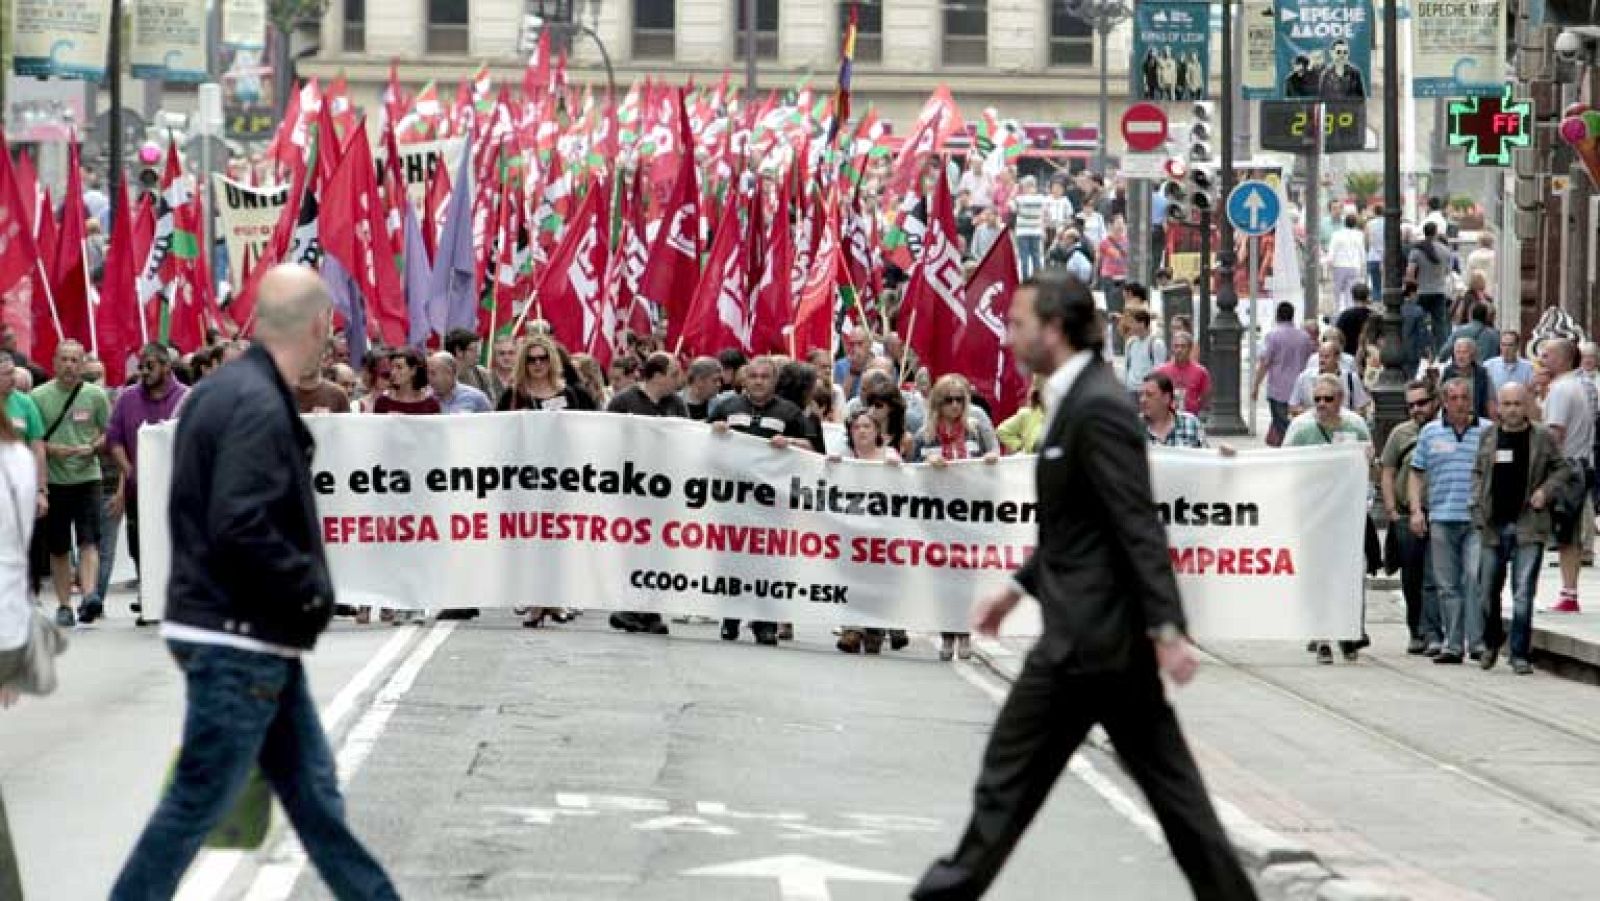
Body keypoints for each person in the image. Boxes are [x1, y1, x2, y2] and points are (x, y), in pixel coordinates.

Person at [914, 271, 1256, 901]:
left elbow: (1134, 521)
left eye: (1018, 323)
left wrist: (1168, 628)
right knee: (1176, 805)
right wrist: (1018, 586)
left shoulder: (1097, 406)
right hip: (1101, 644)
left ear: (1053, 329)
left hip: (1089, 644)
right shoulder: (1074, 399)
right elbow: (1081, 525)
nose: (1010, 335)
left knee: (1005, 786)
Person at [109, 265, 400, 901]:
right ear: (322, 326)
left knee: (315, 799)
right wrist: (309, 589)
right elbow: (240, 520)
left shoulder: (224, 390)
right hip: (238, 637)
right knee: (197, 802)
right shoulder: (256, 402)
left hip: (246, 634)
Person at [709, 357, 811, 646]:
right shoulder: (726, 408)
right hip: (732, 500)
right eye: (752, 375)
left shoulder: (790, 412)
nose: (758, 381)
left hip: (771, 504)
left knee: (768, 563)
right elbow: (699, 440)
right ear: (744, 379)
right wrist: (713, 432)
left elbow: (814, 449)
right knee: (731, 559)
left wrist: (791, 443)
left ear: (774, 381)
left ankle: (764, 622)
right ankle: (730, 617)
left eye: (764, 376)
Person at [1474, 383, 1569, 675]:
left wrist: (1546, 491)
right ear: (1498, 407)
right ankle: (1491, 641)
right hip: (1494, 524)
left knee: (1523, 591)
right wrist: (1478, 499)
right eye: (1507, 404)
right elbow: (1478, 472)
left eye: (1517, 403)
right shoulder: (1489, 435)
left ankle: (1519, 652)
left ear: (1527, 405)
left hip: (1528, 523)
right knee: (1487, 590)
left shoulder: (1541, 436)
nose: (1512, 409)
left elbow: (1562, 469)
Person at [1286, 373, 1375, 663]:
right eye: (1318, 399)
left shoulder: (1355, 425)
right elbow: (1284, 465)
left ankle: (1349, 631)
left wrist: (1366, 495)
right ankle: (1322, 636)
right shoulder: (1301, 428)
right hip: (1313, 515)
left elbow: (1367, 466)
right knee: (1318, 575)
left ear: (1341, 400)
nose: (1322, 404)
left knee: (1350, 574)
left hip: (1346, 514)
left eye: (1328, 399)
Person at [912, 375, 999, 663]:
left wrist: (989, 461)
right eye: (948, 400)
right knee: (943, 577)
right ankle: (948, 632)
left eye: (959, 400)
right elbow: (910, 471)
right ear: (938, 402)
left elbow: (996, 453)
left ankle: (964, 633)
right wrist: (925, 464)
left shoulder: (976, 427)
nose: (954, 406)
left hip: (971, 514)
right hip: (938, 517)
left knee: (968, 576)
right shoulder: (926, 434)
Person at [1409, 378, 1493, 665]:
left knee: (1473, 578)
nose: (1459, 403)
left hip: (1475, 519)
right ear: (1444, 402)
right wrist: (1417, 510)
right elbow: (1417, 473)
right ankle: (1453, 643)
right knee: (1446, 585)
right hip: (1442, 517)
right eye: (1454, 398)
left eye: (1464, 397)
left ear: (1471, 400)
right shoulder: (1431, 433)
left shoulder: (1486, 431)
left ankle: (1477, 642)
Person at [33, 341, 112, 626]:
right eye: (64, 360)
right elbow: (34, 438)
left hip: (88, 476)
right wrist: (52, 450)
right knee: (59, 547)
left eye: (74, 360)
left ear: (82, 364)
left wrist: (92, 448)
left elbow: (108, 434)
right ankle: (65, 604)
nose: (69, 365)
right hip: (54, 480)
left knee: (89, 539)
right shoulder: (39, 396)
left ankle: (89, 596)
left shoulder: (95, 396)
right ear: (54, 362)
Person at [106, 344, 189, 600]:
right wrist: (129, 470)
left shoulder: (186, 397)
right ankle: (150, 595)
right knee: (139, 545)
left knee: (177, 543)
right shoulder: (127, 398)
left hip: (178, 491)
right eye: (140, 366)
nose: (143, 371)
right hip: (139, 491)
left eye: (150, 366)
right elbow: (114, 439)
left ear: (166, 366)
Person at [828, 410, 905, 655]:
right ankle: (852, 628)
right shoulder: (843, 457)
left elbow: (905, 483)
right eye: (857, 427)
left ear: (877, 432)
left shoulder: (889, 454)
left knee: (878, 581)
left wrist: (896, 467)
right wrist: (830, 467)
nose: (861, 431)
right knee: (853, 579)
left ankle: (875, 629)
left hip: (882, 533)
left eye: (867, 426)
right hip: (851, 532)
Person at [1381, 379, 1443, 655]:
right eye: (1411, 406)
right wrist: (1392, 510)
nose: (1416, 409)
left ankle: (1434, 631)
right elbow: (1387, 471)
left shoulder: (1446, 432)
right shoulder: (1400, 434)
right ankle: (1416, 629)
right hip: (1408, 514)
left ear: (1435, 402)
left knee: (1436, 576)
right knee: (1413, 577)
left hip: (1440, 512)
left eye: (1422, 403)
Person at [1538, 338, 1592, 614]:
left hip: (1566, 467)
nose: (1542, 359)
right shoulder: (1579, 385)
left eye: (1546, 355)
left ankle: (1568, 592)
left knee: (1563, 532)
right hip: (1580, 464)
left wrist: (1544, 470)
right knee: (1568, 532)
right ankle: (1568, 591)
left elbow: (1554, 434)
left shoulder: (1561, 390)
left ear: (1562, 359)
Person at [1252, 302, 1317, 446]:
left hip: (1278, 389)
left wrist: (1256, 385)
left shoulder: (1272, 336)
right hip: (1300, 388)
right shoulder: (1304, 337)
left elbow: (1265, 363)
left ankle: (1287, 449)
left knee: (1282, 425)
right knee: (1298, 424)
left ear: (1277, 315)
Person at [496, 335, 585, 414]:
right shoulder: (513, 395)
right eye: (531, 359)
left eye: (543, 358)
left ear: (551, 360)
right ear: (524, 363)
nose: (537, 363)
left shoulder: (567, 393)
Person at [1407, 222, 1455, 356]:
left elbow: (1410, 274)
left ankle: (1422, 350)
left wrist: (1414, 285)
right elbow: (1447, 271)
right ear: (1436, 232)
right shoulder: (1445, 250)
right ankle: (1441, 353)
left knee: (1419, 322)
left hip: (1421, 292)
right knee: (1440, 324)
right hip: (1439, 291)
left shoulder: (1416, 251)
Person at [1290, 340, 1369, 418]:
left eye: (1326, 357)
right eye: (1320, 356)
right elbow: (1293, 406)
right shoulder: (1304, 377)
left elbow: (1361, 408)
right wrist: (1312, 415)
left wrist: (1346, 419)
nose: (1322, 360)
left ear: (1337, 357)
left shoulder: (1351, 378)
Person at [1152, 331, 1211, 417]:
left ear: (1190, 348)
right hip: (1166, 417)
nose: (1179, 350)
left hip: (1191, 418)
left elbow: (1206, 398)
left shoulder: (1201, 372)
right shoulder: (1161, 371)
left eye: (1183, 346)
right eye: (1176, 346)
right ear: (1172, 348)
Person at [1140, 373, 1208, 448]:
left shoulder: (1191, 423)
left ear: (1166, 398)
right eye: (1141, 394)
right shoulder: (1134, 426)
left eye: (1149, 395)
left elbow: (1206, 456)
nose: (1142, 400)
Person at [1440, 337, 1495, 421]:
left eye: (1464, 352)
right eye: (1458, 352)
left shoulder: (1482, 374)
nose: (1460, 356)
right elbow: (1441, 399)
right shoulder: (1447, 373)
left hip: (1477, 420)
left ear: (1473, 355)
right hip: (1452, 421)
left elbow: (1490, 401)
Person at [1121, 308, 1166, 401]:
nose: (1130, 326)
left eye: (1133, 322)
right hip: (1130, 390)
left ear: (1141, 324)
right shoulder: (1130, 342)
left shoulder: (1156, 343)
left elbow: (1159, 370)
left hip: (1146, 391)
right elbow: (1127, 366)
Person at [427, 352, 492, 415]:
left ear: (449, 373)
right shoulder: (426, 398)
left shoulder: (476, 398)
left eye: (433, 373)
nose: (428, 377)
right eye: (428, 373)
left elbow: (490, 422)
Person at [1328, 214, 1368, 311]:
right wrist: (1363, 268)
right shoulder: (1359, 235)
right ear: (1355, 224)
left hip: (1339, 265)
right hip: (1354, 266)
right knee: (1350, 292)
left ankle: (1337, 310)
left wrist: (1330, 262)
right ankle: (1349, 310)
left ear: (1344, 223)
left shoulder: (1336, 234)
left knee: (1337, 291)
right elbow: (1362, 251)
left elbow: (1332, 250)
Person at [995, 377, 1046, 454]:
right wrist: (1020, 446)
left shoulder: (1064, 413)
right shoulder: (1026, 414)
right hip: (1031, 462)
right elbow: (1001, 431)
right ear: (1037, 394)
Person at [1012, 176, 1047, 278]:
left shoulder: (1019, 199)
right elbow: (1044, 213)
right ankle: (1038, 279)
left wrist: (1014, 191)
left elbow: (1012, 208)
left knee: (1024, 257)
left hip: (1022, 231)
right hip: (1036, 231)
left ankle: (1026, 280)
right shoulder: (1041, 198)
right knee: (1036, 256)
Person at [680, 356, 722, 421]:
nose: (719, 384)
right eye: (715, 380)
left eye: (720, 380)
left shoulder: (720, 405)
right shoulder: (675, 403)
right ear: (699, 380)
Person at [486, 335, 518, 408]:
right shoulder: (484, 380)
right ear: (494, 356)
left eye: (511, 353)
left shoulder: (524, 379)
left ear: (517, 355)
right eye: (502, 353)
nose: (506, 358)